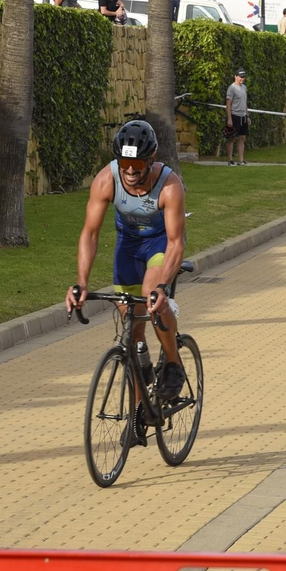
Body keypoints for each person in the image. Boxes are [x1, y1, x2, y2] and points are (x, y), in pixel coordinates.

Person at [66, 120, 188, 412]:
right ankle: (139, 411)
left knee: (152, 296)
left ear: (152, 158)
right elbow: (90, 233)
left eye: (137, 163)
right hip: (129, 247)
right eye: (124, 163)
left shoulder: (169, 187)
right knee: (131, 334)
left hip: (160, 245)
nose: (130, 171)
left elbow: (175, 242)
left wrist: (162, 286)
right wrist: (81, 282)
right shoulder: (106, 180)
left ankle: (173, 362)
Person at [225, 69, 250, 166]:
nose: (242, 79)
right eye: (241, 77)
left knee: (242, 138)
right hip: (234, 115)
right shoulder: (232, 88)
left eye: (244, 77)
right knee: (231, 138)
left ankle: (240, 160)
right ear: (236, 77)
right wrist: (229, 118)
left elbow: (245, 103)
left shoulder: (244, 87)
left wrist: (247, 116)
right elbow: (228, 104)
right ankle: (230, 160)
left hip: (243, 116)